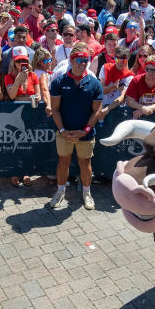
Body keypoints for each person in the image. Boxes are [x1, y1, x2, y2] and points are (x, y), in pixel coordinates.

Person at [48, 44, 103, 211]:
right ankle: (60, 191)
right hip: (64, 133)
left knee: (85, 163)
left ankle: (87, 193)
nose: (83, 63)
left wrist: (85, 130)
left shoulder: (95, 84)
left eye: (86, 60)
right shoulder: (58, 82)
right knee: (63, 161)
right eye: (79, 59)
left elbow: (97, 111)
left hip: (85, 133)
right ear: (71, 60)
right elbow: (55, 109)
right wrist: (63, 131)